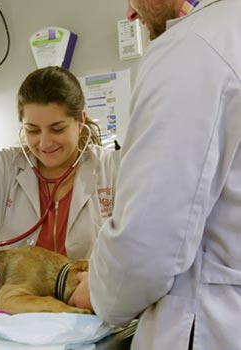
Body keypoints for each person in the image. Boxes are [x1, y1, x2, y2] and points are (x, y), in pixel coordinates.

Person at [68, 0, 241, 349]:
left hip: (210, 328)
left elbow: (145, 245)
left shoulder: (194, 47)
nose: (131, 13)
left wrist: (101, 291)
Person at [0, 66, 120, 295]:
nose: (44, 143)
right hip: (20, 313)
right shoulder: (6, 167)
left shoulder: (113, 169)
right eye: (32, 130)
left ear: (80, 121)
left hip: (89, 308)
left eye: (57, 129)